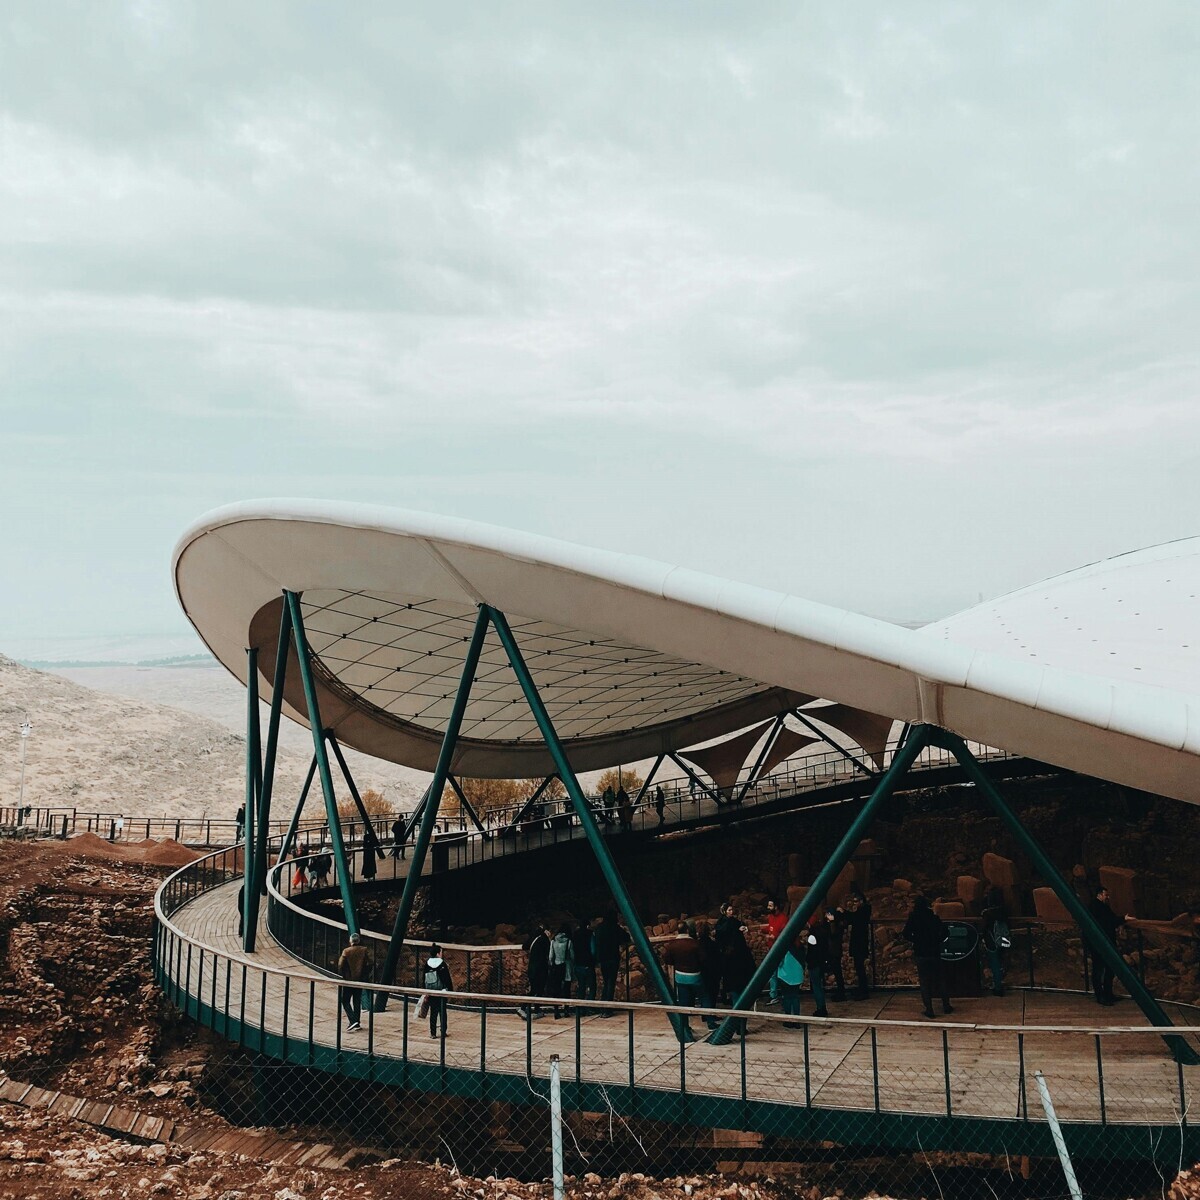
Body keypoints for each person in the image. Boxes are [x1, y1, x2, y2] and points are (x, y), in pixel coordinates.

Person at [662, 921, 717, 1037]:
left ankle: (685, 1026)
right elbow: (703, 959)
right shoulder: (695, 944)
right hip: (695, 975)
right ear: (687, 930)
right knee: (705, 997)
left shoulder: (672, 945)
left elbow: (667, 960)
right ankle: (711, 1023)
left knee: (683, 1002)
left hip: (680, 976)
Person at [902, 895, 953, 1019]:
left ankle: (929, 1009)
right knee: (940, 979)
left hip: (921, 952)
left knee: (924, 981)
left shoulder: (913, 918)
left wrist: (916, 940)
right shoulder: (933, 917)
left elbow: (905, 933)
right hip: (934, 951)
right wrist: (937, 940)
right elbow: (945, 931)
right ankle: (946, 1005)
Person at [1089, 885, 1130, 1006]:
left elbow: (1110, 920)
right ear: (1100, 894)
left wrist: (1122, 919)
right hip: (1100, 943)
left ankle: (1107, 993)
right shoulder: (1096, 907)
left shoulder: (1100, 906)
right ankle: (1101, 995)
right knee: (1099, 969)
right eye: (1106, 895)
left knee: (1106, 969)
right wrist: (1123, 919)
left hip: (1103, 942)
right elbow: (1108, 921)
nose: (1108, 897)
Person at [714, 904, 755, 1005]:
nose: (731, 912)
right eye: (729, 910)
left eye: (732, 909)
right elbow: (721, 934)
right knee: (729, 978)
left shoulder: (735, 921)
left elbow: (740, 929)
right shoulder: (721, 923)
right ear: (724, 911)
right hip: (728, 955)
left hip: (738, 954)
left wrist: (744, 928)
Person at [593, 911, 630, 1013]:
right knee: (611, 982)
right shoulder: (615, 927)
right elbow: (626, 937)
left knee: (606, 982)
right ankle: (607, 1007)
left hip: (603, 958)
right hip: (613, 958)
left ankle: (603, 1005)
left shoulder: (599, 928)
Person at [337, 933, 372, 1032]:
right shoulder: (364, 950)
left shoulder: (346, 951)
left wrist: (344, 976)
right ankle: (357, 1022)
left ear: (351, 941)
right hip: (359, 980)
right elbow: (371, 963)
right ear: (358, 940)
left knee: (345, 1000)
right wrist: (365, 974)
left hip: (349, 981)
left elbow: (340, 965)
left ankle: (353, 1021)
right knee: (357, 1001)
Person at [980, 886, 1010, 996]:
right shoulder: (1004, 910)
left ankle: (997, 986)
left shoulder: (988, 913)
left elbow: (984, 927)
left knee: (994, 963)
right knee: (1001, 961)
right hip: (1003, 939)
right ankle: (1000, 982)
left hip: (991, 940)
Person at [845, 884, 872, 999]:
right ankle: (862, 988)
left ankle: (863, 991)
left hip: (859, 943)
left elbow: (853, 918)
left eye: (856, 901)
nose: (854, 903)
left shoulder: (862, 912)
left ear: (861, 901)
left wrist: (844, 913)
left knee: (860, 967)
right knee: (859, 967)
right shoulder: (863, 912)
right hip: (860, 943)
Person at [519, 925, 551, 1019]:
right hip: (541, 968)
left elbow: (524, 946)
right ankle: (531, 1008)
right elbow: (548, 953)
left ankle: (525, 1008)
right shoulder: (544, 940)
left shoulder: (534, 938)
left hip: (532, 968)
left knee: (533, 989)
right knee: (539, 989)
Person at [774, 934, 807, 1025]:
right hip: (797, 976)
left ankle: (788, 1020)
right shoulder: (801, 947)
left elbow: (779, 963)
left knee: (787, 998)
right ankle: (797, 1021)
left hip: (785, 976)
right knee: (795, 997)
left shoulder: (783, 948)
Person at [423, 944, 453, 1038]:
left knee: (433, 1012)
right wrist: (450, 989)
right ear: (437, 953)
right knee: (442, 1012)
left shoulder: (427, 964)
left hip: (431, 991)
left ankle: (433, 1033)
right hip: (441, 991)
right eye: (441, 952)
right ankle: (443, 1031)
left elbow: (424, 978)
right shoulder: (442, 964)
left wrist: (425, 990)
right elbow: (446, 978)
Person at [762, 899, 788, 1004]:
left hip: (780, 950)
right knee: (773, 973)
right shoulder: (771, 917)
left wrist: (774, 936)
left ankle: (783, 993)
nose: (768, 907)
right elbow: (771, 928)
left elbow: (785, 933)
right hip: (772, 949)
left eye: (770, 905)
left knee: (780, 973)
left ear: (776, 907)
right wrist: (763, 930)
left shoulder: (783, 919)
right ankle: (774, 995)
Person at [805, 914, 831, 1018]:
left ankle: (821, 1007)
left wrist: (808, 961)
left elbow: (812, 952)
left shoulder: (812, 935)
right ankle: (822, 1007)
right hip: (821, 962)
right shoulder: (823, 932)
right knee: (819, 986)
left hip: (814, 964)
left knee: (816, 987)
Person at [547, 924, 576, 1018]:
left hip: (556, 966)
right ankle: (566, 1010)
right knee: (566, 989)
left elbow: (551, 956)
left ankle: (556, 1011)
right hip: (566, 967)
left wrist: (552, 964)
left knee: (556, 989)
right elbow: (572, 956)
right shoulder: (569, 941)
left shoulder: (553, 941)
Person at [571, 918, 597, 1007]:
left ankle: (581, 1008)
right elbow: (593, 950)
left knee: (581, 986)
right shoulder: (590, 934)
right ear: (587, 925)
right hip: (588, 963)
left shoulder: (575, 934)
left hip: (578, 963)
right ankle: (590, 1007)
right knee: (592, 986)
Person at [826, 906, 847, 1002]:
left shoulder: (836, 925)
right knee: (837, 972)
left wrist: (832, 922)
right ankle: (840, 992)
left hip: (835, 951)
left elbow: (833, 935)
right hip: (833, 950)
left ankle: (841, 993)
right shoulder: (836, 924)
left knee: (838, 973)